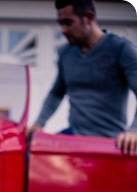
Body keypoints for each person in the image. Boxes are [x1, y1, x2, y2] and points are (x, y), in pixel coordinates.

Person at [28, 0, 137, 155]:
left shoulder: (121, 49)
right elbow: (56, 93)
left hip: (107, 141)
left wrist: (134, 131)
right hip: (74, 136)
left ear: (88, 17)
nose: (63, 30)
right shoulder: (65, 53)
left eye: (68, 23)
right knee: (31, 154)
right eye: (60, 23)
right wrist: (38, 123)